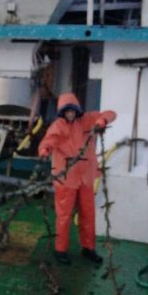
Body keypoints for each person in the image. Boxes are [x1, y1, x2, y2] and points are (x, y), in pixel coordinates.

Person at [38, 93, 116, 265]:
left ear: (77, 110)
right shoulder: (57, 126)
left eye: (73, 110)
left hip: (86, 177)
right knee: (64, 215)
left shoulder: (88, 120)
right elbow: (48, 141)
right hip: (66, 178)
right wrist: (44, 150)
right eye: (67, 111)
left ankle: (88, 248)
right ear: (62, 112)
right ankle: (60, 250)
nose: (70, 114)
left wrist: (102, 121)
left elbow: (110, 113)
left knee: (88, 213)